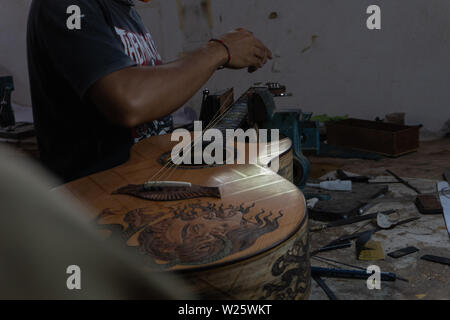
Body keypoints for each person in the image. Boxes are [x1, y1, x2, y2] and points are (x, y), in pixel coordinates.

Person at [27, 0, 272, 183]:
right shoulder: (68, 5)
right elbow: (129, 103)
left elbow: (151, 91)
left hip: (141, 189)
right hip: (93, 209)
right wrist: (218, 51)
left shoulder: (125, 11)